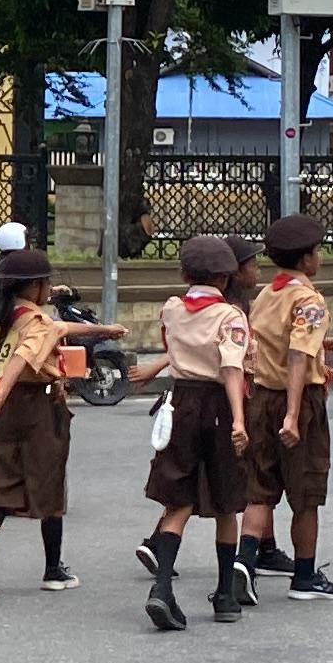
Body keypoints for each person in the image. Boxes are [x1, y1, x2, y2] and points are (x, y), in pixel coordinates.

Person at [0, 248, 122, 601]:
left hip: (8, 413)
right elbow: (25, 354)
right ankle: (53, 569)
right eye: (46, 282)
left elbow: (61, 327)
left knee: (4, 483)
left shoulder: (14, 314)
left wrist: (105, 329)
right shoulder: (36, 324)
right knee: (50, 483)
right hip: (38, 406)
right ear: (34, 286)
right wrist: (2, 392)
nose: (49, 287)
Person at [130, 236, 254, 629]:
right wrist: (238, 419)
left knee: (178, 499)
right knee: (226, 503)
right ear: (225, 276)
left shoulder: (172, 309)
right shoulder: (231, 317)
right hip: (218, 405)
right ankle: (224, 596)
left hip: (181, 403)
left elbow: (175, 349)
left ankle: (162, 588)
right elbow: (232, 369)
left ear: (184, 274)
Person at [237, 215, 333, 602]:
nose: (319, 258)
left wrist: (328, 371)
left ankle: (244, 563)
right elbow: (299, 354)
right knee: (306, 493)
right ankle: (304, 576)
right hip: (298, 401)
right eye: (317, 252)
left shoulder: (267, 294)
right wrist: (292, 413)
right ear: (306, 259)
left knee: (260, 490)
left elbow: (268, 350)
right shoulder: (309, 300)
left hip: (261, 396)